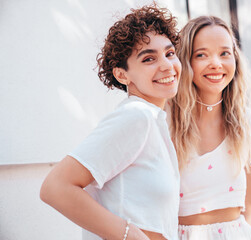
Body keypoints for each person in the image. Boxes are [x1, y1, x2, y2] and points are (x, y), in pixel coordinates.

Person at [40, 5, 181, 240]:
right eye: (149, 58)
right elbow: (55, 187)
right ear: (122, 75)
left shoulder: (153, 120)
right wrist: (131, 235)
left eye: (169, 53)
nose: (166, 65)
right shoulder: (136, 116)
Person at [169, 16, 251, 239]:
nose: (216, 63)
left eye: (224, 53)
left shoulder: (246, 122)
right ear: (185, 61)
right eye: (201, 54)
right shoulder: (166, 122)